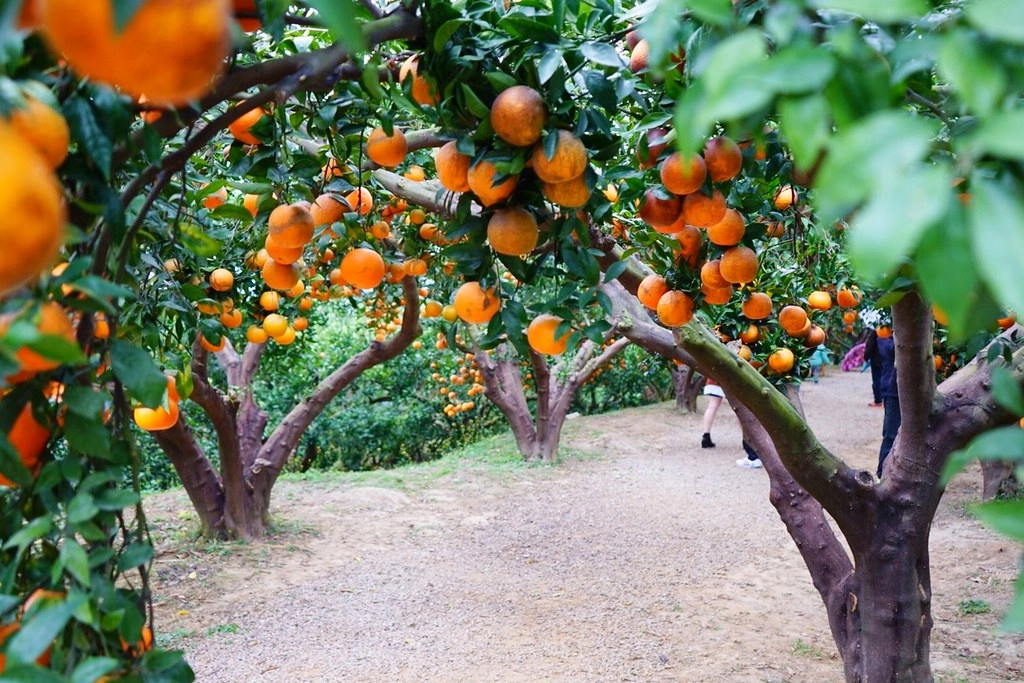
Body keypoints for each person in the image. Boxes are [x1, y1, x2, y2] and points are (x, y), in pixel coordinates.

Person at [876, 331, 900, 477]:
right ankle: (882, 473)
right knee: (890, 435)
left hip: (911, 393)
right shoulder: (888, 342)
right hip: (893, 394)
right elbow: (891, 349)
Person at [700, 378, 724, 448]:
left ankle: (706, 435)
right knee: (740, 410)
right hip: (728, 382)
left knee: (712, 407)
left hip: (713, 380)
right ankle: (747, 440)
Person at [863, 328, 883, 406]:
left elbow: (870, 345)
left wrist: (866, 357)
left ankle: (878, 400)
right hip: (887, 357)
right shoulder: (890, 329)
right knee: (886, 378)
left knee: (877, 380)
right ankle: (885, 400)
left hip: (876, 359)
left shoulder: (875, 330)